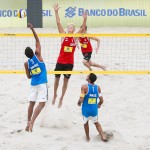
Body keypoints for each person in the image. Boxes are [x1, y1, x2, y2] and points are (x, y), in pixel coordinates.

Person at [52, 3, 87, 108]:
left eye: (71, 27)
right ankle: (55, 94)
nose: (69, 28)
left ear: (73, 29)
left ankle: (61, 97)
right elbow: (58, 23)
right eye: (68, 27)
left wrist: (84, 19)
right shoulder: (64, 35)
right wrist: (56, 12)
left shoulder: (75, 37)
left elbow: (83, 28)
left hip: (69, 64)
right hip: (60, 62)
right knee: (56, 80)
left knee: (65, 82)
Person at [24, 23, 48, 132]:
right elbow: (37, 40)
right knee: (42, 104)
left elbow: (29, 77)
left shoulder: (27, 63)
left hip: (33, 84)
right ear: (32, 51)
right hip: (42, 83)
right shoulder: (38, 55)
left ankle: (28, 123)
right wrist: (32, 29)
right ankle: (32, 122)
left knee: (31, 104)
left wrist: (31, 70)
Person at [77, 73, 107, 142]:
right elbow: (102, 100)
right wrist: (99, 104)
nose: (86, 76)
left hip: (86, 109)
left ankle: (87, 138)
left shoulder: (84, 87)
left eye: (87, 76)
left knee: (85, 123)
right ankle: (103, 135)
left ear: (89, 79)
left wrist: (78, 103)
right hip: (94, 109)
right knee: (96, 122)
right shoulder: (98, 87)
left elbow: (81, 99)